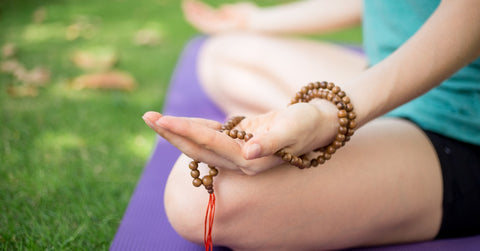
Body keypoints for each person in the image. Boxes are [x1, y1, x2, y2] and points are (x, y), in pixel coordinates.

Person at [142, 0, 480, 250]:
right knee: (223, 54)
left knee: (197, 197)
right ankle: (370, 133)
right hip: (386, 73)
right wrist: (258, 19)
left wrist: (330, 114)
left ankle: (377, 141)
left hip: (461, 125)